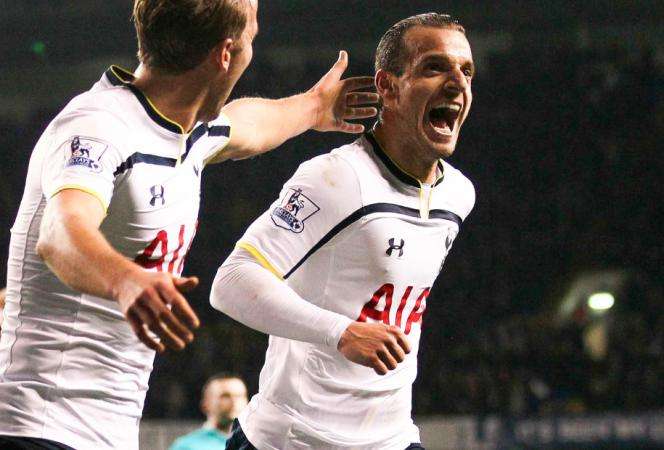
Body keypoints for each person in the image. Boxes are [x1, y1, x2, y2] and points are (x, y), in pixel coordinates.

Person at [0, 1, 378, 449]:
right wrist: (125, 280)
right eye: (252, 40)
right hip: (36, 424)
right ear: (226, 53)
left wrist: (314, 107)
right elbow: (60, 234)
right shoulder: (99, 126)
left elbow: (246, 127)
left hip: (106, 431)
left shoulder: (186, 132)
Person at [210, 12, 476, 450]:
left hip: (391, 438)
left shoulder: (459, 195)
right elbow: (231, 281)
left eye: (466, 71)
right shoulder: (335, 178)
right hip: (295, 439)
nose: (457, 83)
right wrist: (342, 332)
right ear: (387, 87)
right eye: (434, 67)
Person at [169, 374, 248, 450]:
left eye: (240, 396)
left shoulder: (255, 443)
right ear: (205, 404)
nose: (234, 402)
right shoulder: (186, 446)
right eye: (225, 396)